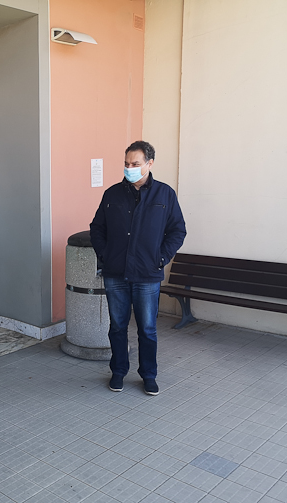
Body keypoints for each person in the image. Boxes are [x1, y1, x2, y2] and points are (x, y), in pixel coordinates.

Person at [90, 141, 186, 396]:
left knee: (147, 328)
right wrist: (105, 254)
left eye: (135, 164)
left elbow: (177, 231)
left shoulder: (165, 195)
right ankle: (119, 371)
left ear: (149, 164)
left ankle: (149, 375)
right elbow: (97, 228)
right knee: (118, 326)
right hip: (116, 273)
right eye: (126, 163)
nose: (129, 168)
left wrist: (161, 257)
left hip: (147, 274)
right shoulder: (112, 194)